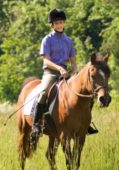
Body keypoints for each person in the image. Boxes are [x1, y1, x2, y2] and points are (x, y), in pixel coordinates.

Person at [30, 8, 98, 145]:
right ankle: (36, 125)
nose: (59, 25)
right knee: (43, 93)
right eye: (56, 23)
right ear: (52, 25)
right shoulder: (47, 40)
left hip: (66, 74)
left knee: (87, 95)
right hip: (51, 72)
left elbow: (72, 59)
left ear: (64, 23)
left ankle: (86, 124)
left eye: (61, 22)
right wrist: (59, 68)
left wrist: (76, 72)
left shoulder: (68, 41)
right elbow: (46, 60)